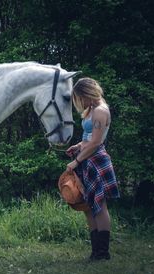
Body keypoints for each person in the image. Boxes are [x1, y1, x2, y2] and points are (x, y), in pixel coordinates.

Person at [65, 77, 120, 261]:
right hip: (87, 157)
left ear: (87, 93)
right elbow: (89, 138)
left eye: (80, 98)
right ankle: (95, 251)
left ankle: (103, 253)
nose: (80, 102)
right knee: (88, 205)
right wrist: (78, 145)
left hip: (96, 159)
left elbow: (97, 142)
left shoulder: (101, 111)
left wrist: (77, 161)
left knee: (100, 205)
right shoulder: (92, 110)